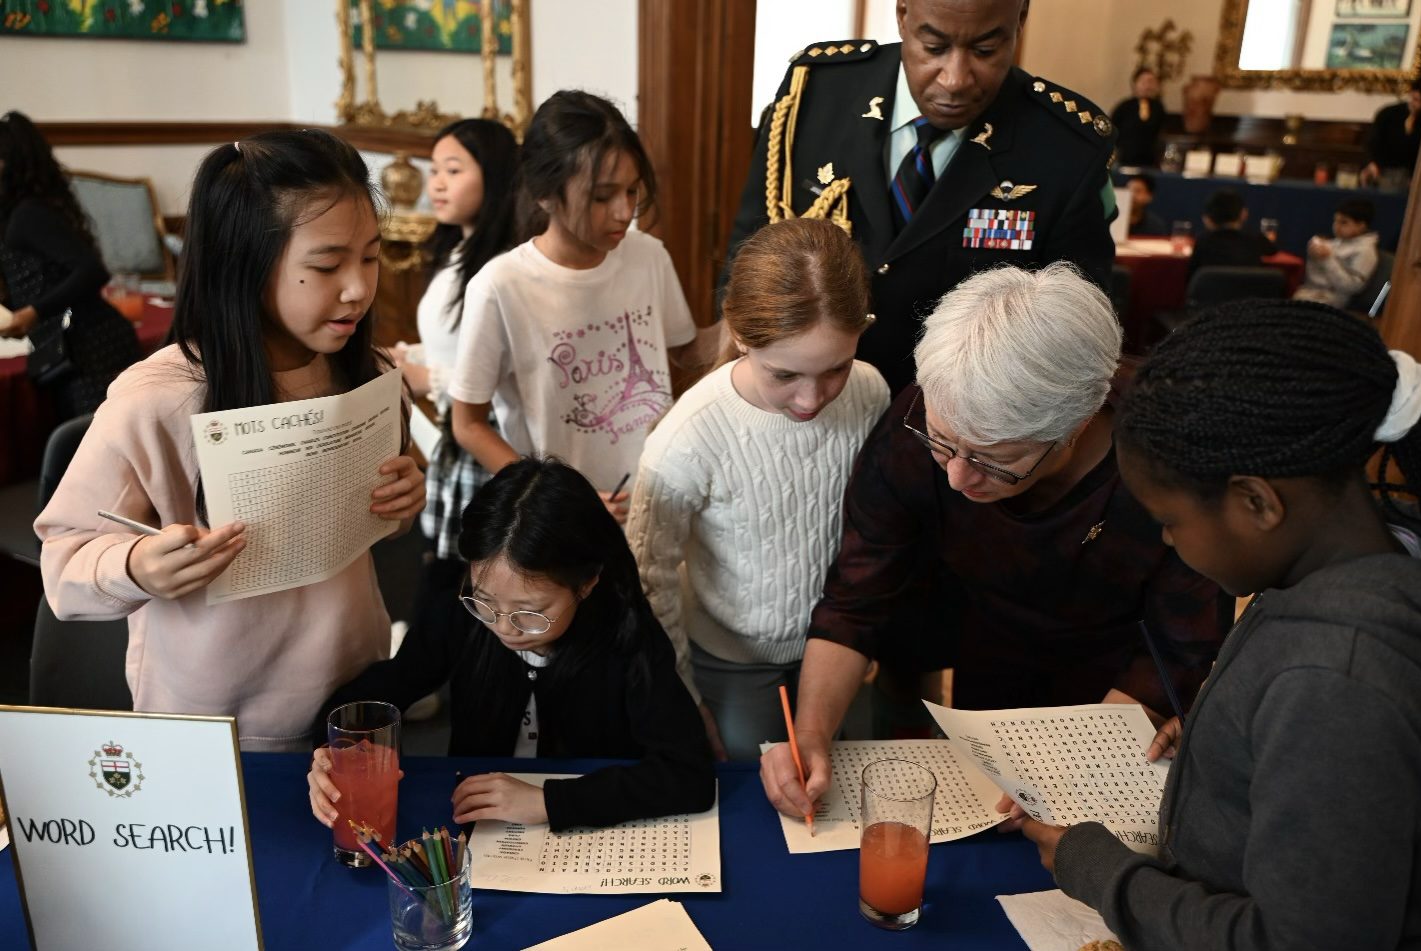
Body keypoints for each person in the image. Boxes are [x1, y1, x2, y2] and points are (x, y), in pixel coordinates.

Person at [1019, 299, 1421, 949]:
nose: (1166, 537)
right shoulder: (1344, 577)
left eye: (1171, 519)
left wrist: (1104, 873)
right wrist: (1233, 740)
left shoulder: (1333, 678)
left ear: (1257, 502)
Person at [758, 263, 1226, 821]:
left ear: (1073, 429)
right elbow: (855, 597)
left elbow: (1175, 651)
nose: (956, 477)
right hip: (985, 649)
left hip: (1118, 684)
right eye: (941, 443)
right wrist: (810, 733)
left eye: (992, 461)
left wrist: (1072, 774)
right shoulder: (927, 416)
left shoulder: (1168, 452)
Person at [34, 130, 426, 750]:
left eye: (371, 257)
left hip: (352, 697)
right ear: (245, 264)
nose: (358, 287)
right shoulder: (157, 399)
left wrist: (407, 497)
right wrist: (138, 566)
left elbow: (395, 509)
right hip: (212, 723)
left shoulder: (370, 375)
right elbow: (65, 564)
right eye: (326, 265)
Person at [723, 0, 1118, 394]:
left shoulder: (1066, 147)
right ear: (902, 14)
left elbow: (1072, 324)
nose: (955, 79)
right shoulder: (817, 90)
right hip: (804, 397)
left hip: (952, 422)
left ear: (1020, 20)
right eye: (934, 47)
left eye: (985, 51)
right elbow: (750, 247)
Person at [307, 458, 717, 830]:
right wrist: (331, 748)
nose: (504, 627)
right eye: (484, 603)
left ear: (588, 582)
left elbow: (689, 774)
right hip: (479, 826)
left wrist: (550, 802)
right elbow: (382, 691)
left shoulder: (627, 636)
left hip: (583, 830)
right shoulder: (457, 610)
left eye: (530, 612)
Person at [625, 219, 890, 761]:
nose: (811, 399)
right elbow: (650, 583)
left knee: (833, 782)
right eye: (784, 375)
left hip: (838, 643)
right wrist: (685, 697)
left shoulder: (870, 391)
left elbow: (877, 527)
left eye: (836, 368)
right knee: (753, 793)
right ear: (741, 335)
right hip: (733, 662)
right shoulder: (689, 436)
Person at [448, 91, 697, 524]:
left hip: (657, 497)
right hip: (559, 519)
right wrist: (549, 496)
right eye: (602, 197)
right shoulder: (501, 285)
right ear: (544, 194)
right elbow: (467, 424)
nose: (624, 212)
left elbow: (687, 352)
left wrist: (753, 321)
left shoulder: (649, 256)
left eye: (632, 190)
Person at [392, 118, 520, 678]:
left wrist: (425, 376)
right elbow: (453, 342)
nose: (436, 184)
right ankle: (430, 667)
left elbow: (491, 367)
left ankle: (428, 672)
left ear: (492, 178)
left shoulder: (500, 265)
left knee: (471, 566)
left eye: (453, 170)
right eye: (433, 171)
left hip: (482, 432)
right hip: (451, 433)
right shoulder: (455, 250)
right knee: (447, 563)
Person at [0, 110, 140, 418]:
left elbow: (92, 270)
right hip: (76, 347)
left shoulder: (28, 215)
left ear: (10, 165)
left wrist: (33, 312)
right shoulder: (20, 212)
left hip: (92, 347)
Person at [1293, 198, 1380, 309]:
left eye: (1344, 222)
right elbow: (1314, 279)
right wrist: (1314, 256)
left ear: (1361, 226)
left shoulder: (1366, 251)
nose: (1337, 226)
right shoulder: (1336, 243)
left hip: (1332, 301)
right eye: (1335, 221)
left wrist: (1327, 259)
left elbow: (1352, 286)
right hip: (1312, 293)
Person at [1187, 188, 1275, 279]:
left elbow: (1191, 277)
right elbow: (1272, 250)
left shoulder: (1203, 240)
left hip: (1211, 292)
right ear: (1243, 214)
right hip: (1248, 292)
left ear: (1208, 218)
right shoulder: (1254, 238)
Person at [1361, 73, 1421, 189]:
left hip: (1414, 177)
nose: (1416, 104)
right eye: (1415, 99)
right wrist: (1372, 162)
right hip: (1385, 172)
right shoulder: (1389, 113)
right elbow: (1373, 142)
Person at [1110, 68, 1166, 168]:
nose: (1147, 86)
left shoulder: (1158, 107)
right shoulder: (1124, 106)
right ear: (1135, 84)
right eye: (1144, 82)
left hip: (1151, 162)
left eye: (1151, 81)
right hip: (1126, 160)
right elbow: (1112, 130)